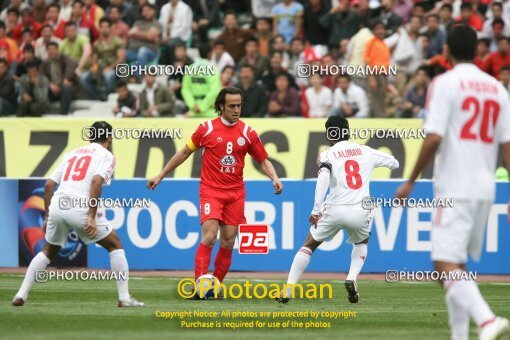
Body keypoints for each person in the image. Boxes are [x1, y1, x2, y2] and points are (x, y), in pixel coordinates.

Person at [395, 25, 510, 340]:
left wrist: (410, 180)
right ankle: (459, 336)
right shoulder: (497, 88)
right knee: (454, 265)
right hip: (486, 188)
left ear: (446, 51)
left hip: (455, 187)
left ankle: (487, 320)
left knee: (443, 264)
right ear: (477, 51)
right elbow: (507, 145)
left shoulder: (444, 83)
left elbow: (434, 136)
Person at [147, 87, 283, 298]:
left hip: (236, 192)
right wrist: (161, 175)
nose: (236, 109)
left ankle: (213, 286)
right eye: (232, 106)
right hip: (211, 190)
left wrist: (274, 177)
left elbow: (263, 160)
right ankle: (199, 285)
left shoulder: (248, 133)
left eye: (239, 105)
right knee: (209, 237)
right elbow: (184, 152)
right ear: (221, 106)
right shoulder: (206, 129)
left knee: (228, 241)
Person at [12, 121, 144, 308]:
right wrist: (90, 216)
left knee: (48, 251)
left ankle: (20, 295)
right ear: (109, 138)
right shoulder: (107, 156)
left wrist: (49, 216)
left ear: (90, 137)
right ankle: (124, 298)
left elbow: (49, 185)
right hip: (80, 205)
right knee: (115, 245)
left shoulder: (72, 153)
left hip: (58, 203)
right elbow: (96, 182)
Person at [277, 115, 398, 304]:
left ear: (330, 134)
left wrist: (316, 209)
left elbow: (323, 178)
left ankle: (288, 288)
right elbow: (394, 162)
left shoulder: (327, 153)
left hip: (333, 209)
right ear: (347, 131)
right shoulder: (365, 150)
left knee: (309, 244)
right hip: (360, 209)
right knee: (362, 241)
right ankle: (352, 277)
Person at [80, 17, 124, 100]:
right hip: (101, 67)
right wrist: (94, 67)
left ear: (111, 28)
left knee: (108, 75)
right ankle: (96, 97)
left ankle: (109, 98)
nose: (104, 29)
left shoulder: (118, 41)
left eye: (107, 27)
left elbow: (121, 59)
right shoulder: (97, 44)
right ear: (99, 28)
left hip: (115, 68)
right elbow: (95, 58)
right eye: (102, 27)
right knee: (84, 77)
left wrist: (110, 68)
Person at [40, 41, 76, 115]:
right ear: (47, 51)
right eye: (50, 49)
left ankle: (63, 114)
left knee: (67, 88)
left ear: (57, 50)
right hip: (52, 89)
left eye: (54, 49)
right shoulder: (45, 63)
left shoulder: (63, 58)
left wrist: (66, 78)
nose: (52, 51)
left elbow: (72, 63)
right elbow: (42, 76)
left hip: (63, 86)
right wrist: (50, 85)